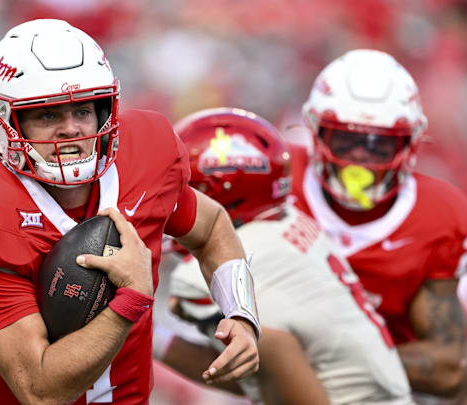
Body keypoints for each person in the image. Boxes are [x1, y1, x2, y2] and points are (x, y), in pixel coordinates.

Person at [0, 19, 260, 405]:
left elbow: (212, 226)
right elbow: (40, 390)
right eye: (47, 115)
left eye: (83, 111)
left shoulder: (145, 152)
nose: (71, 130)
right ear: (5, 121)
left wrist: (240, 312)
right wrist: (132, 298)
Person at [154, 107, 414, 405]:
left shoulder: (197, 278)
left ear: (214, 192)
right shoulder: (290, 219)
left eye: (181, 189)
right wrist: (151, 337)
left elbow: (268, 357)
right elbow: (258, 377)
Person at [292, 49, 467, 400]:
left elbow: (446, 367)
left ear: (409, 142)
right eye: (346, 139)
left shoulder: (439, 215)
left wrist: (315, 359)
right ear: (316, 131)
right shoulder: (276, 180)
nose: (361, 157)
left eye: (379, 144)